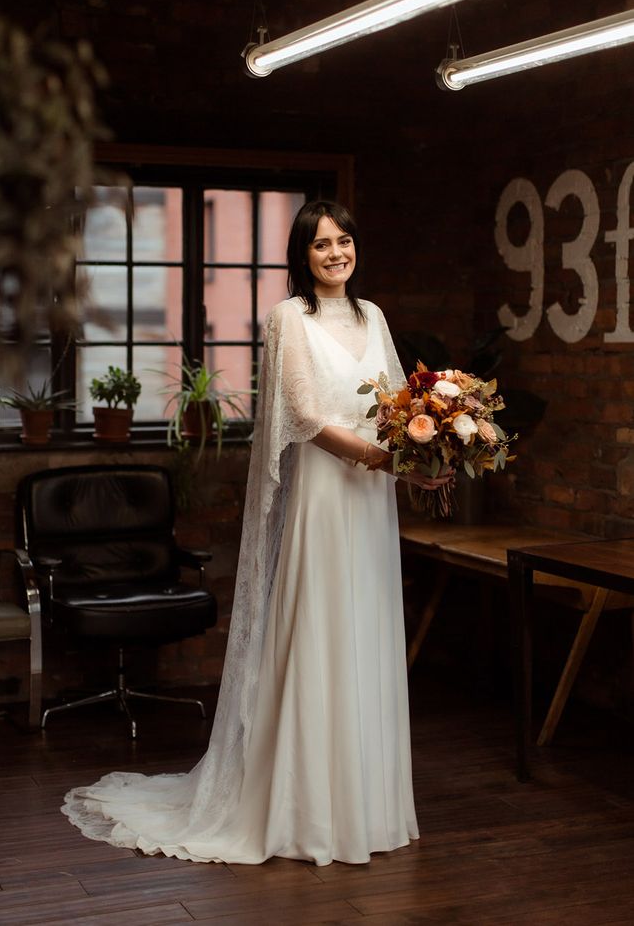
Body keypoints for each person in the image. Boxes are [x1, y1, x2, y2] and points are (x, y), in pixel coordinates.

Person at [62, 199, 449, 866]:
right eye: (320, 244)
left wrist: (418, 467)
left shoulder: (373, 316)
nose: (335, 253)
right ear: (302, 256)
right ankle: (305, 811)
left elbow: (394, 411)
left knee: (366, 632)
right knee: (319, 633)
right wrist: (382, 459)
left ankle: (368, 807)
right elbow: (304, 416)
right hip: (324, 502)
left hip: (370, 505)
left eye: (343, 240)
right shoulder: (287, 319)